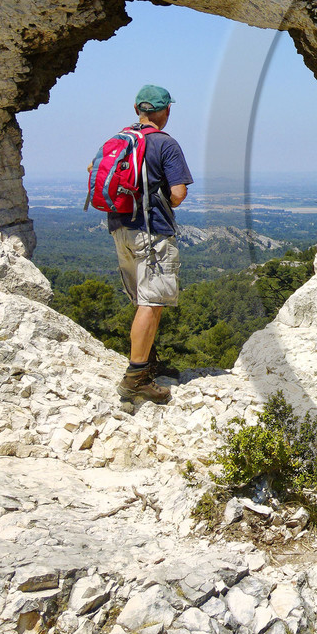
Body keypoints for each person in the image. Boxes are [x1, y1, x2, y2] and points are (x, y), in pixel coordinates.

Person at [109, 85, 192, 403]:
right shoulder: (164, 144)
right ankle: (135, 379)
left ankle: (148, 362)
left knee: (142, 299)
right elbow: (178, 194)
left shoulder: (118, 140)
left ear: (136, 109)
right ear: (166, 111)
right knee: (151, 302)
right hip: (151, 229)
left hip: (119, 228)